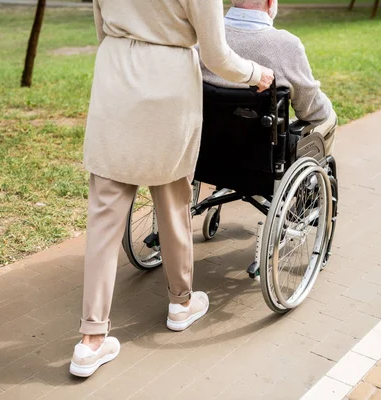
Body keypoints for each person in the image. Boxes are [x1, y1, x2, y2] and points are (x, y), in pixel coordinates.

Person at [69, 0, 275, 378]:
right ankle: (181, 303)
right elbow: (216, 54)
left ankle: (91, 340)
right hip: (168, 86)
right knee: (173, 199)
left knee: (103, 219)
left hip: (115, 79)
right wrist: (255, 73)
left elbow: (101, 26)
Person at [201, 0, 337, 156]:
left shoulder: (202, 39)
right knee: (329, 117)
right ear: (271, 2)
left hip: (210, 148)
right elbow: (314, 112)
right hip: (263, 154)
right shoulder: (286, 45)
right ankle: (322, 177)